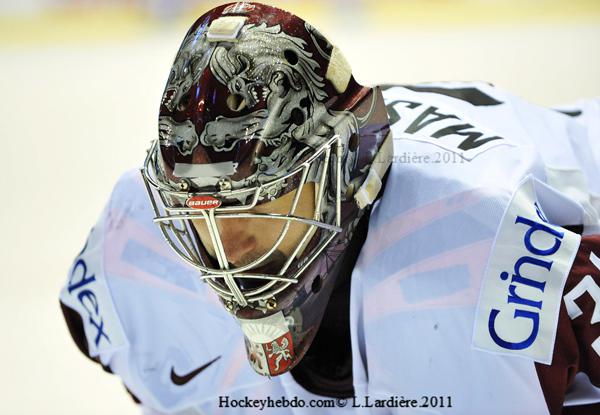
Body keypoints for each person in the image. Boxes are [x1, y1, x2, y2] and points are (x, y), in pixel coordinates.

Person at [59, 2, 600, 414]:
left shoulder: (491, 244)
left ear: (348, 174)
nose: (230, 252)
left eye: (260, 206)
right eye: (202, 217)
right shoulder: (135, 247)